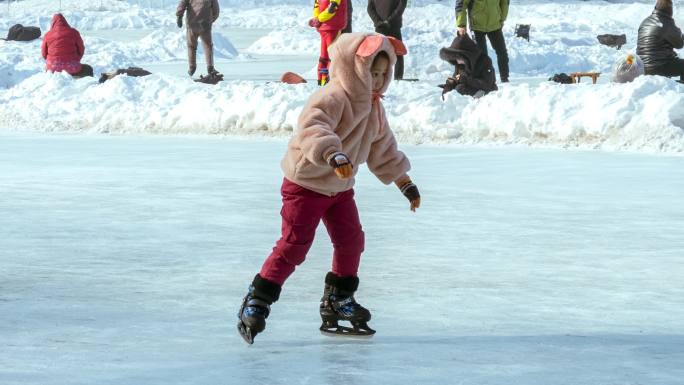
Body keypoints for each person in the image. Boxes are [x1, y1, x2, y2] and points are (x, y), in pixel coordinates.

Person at [237, 33, 421, 344]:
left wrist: (404, 181)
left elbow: (382, 146)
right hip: (305, 183)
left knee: (352, 241)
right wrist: (332, 153)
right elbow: (313, 127)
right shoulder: (333, 96)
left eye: (382, 74)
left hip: (340, 189)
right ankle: (258, 298)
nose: (377, 81)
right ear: (354, 67)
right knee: (295, 245)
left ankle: (338, 299)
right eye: (371, 73)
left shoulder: (374, 107)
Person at [455, 0, 510, 83]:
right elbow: (461, 3)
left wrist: (502, 18)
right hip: (477, 26)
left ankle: (505, 78)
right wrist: (461, 25)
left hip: (494, 24)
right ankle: (486, 80)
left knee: (502, 52)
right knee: (482, 56)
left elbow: (504, 2)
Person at [636, 0, 684, 83]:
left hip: (641, 67)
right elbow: (679, 44)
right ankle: (681, 88)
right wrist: (679, 32)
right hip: (658, 67)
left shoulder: (645, 21)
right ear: (670, 11)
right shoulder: (666, 23)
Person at [438, 33, 497, 98]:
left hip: (487, 92)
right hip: (468, 89)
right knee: (458, 88)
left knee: (460, 88)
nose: (456, 61)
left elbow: (487, 84)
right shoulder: (460, 64)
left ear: (466, 56)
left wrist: (466, 80)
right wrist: (449, 85)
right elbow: (456, 77)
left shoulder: (485, 61)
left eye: (458, 58)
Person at [308, 0, 349, 85]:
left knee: (324, 56)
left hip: (324, 26)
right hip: (332, 26)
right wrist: (318, 19)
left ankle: (322, 79)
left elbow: (317, 5)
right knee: (332, 56)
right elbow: (332, 8)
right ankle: (327, 80)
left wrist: (317, 19)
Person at [176, 0, 220, 77]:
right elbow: (216, 11)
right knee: (208, 46)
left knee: (191, 46)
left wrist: (179, 16)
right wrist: (210, 20)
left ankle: (192, 67)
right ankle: (210, 67)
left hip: (192, 24)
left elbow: (182, 3)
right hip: (205, 25)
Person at [367, 0, 408, 80]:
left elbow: (402, 4)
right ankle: (396, 77)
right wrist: (380, 21)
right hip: (386, 25)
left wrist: (379, 21)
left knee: (395, 52)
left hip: (388, 25)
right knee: (383, 53)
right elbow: (370, 8)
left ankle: (379, 76)